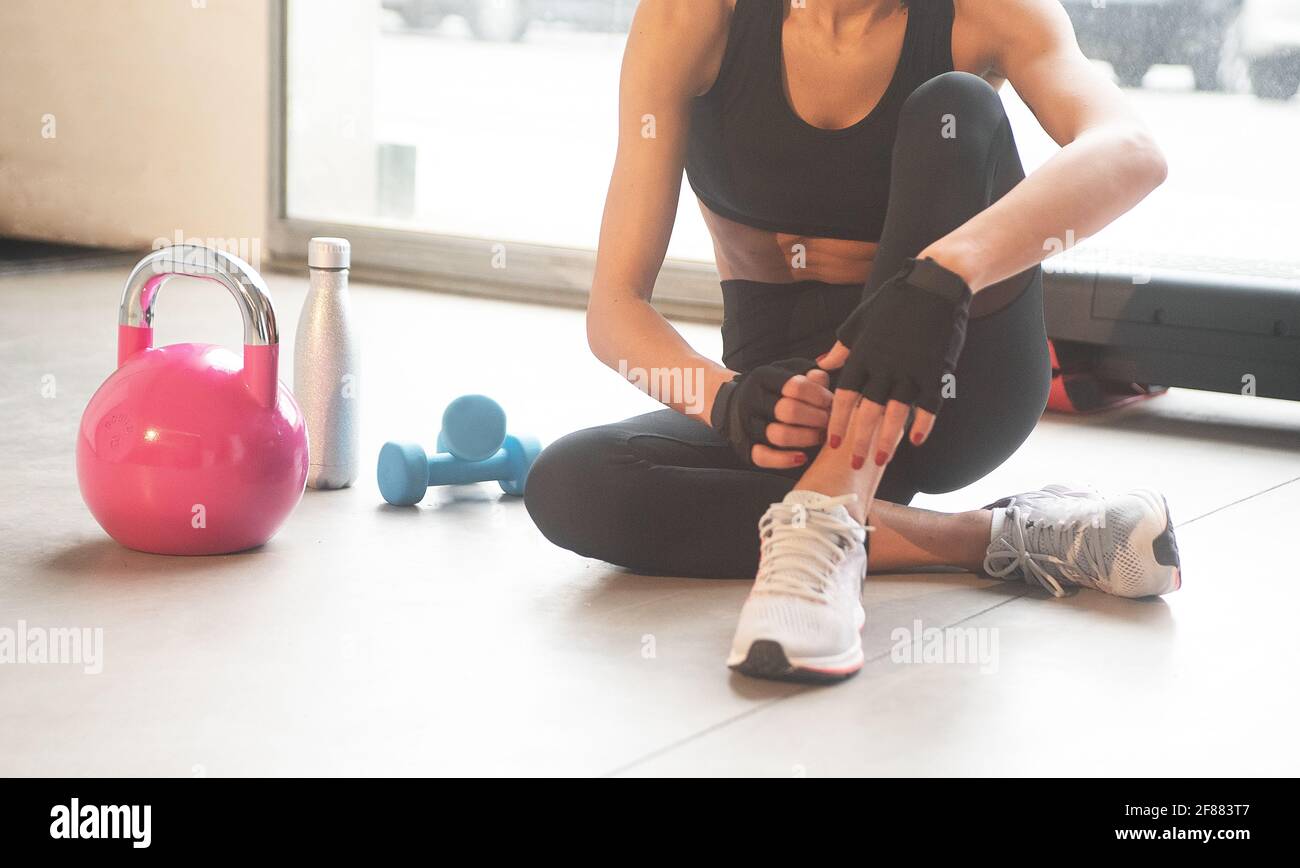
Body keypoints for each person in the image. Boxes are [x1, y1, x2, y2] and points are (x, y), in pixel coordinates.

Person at [525, 0, 1181, 683]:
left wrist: (944, 275)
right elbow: (614, 312)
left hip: (954, 380)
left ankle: (826, 523)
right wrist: (726, 400)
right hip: (797, 392)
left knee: (956, 108)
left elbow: (1132, 151)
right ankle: (992, 538)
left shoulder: (989, 12)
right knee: (570, 483)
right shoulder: (691, 16)